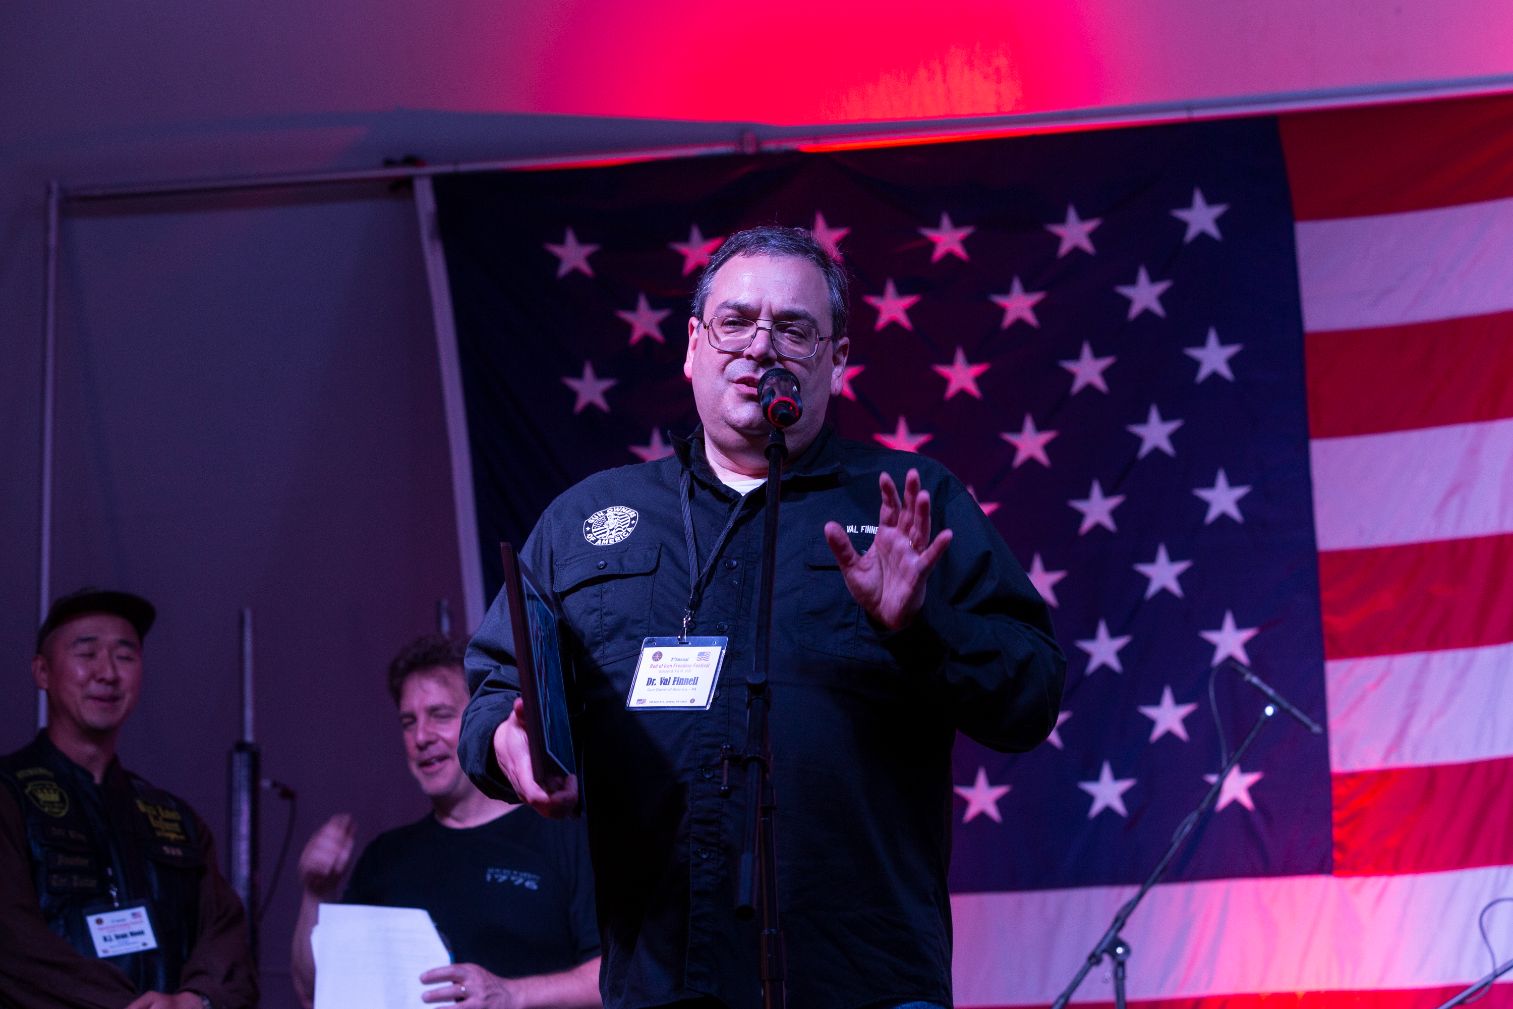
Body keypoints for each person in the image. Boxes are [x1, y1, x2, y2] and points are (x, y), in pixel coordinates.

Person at [459, 226, 1067, 1009]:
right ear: (692, 345)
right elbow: (497, 688)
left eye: (793, 327)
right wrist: (506, 744)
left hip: (865, 983)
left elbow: (1030, 695)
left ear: (835, 359)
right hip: (662, 981)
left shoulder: (906, 504)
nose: (759, 346)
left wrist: (918, 627)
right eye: (735, 321)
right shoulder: (588, 520)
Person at [290, 634, 600, 1009]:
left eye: (440, 715)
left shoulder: (564, 834)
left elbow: (613, 977)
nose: (421, 736)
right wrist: (316, 892)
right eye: (408, 722)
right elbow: (315, 990)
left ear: (484, 721)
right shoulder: (385, 858)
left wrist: (512, 994)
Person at [0, 587, 257, 1009]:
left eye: (125, 656)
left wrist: (195, 1000)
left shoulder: (172, 818)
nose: (107, 673)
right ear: (42, 672)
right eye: (87, 654)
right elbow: (13, 945)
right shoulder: (9, 795)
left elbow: (225, 939)